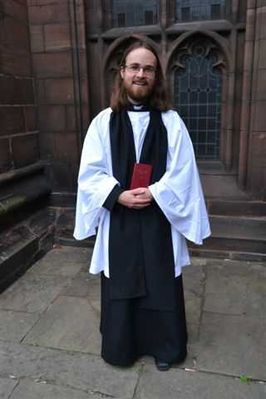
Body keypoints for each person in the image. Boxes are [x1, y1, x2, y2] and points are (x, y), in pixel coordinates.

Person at [74, 38, 210, 371]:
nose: (141, 74)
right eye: (134, 67)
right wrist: (117, 194)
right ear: (122, 73)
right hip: (118, 216)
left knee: (161, 280)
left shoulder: (171, 122)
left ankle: (165, 347)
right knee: (121, 278)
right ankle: (122, 347)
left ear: (156, 76)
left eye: (148, 68)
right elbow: (90, 173)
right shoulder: (103, 123)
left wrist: (156, 192)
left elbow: (183, 172)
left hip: (158, 218)